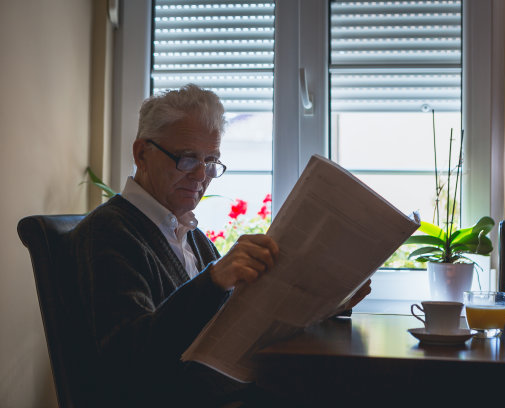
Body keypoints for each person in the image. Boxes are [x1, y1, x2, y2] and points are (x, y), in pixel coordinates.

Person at [72, 84, 371, 407]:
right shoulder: (109, 231)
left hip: (223, 392)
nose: (201, 175)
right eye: (187, 159)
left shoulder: (189, 235)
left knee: (346, 385)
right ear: (141, 154)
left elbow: (236, 325)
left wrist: (323, 304)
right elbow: (129, 359)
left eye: (211, 161)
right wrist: (214, 280)